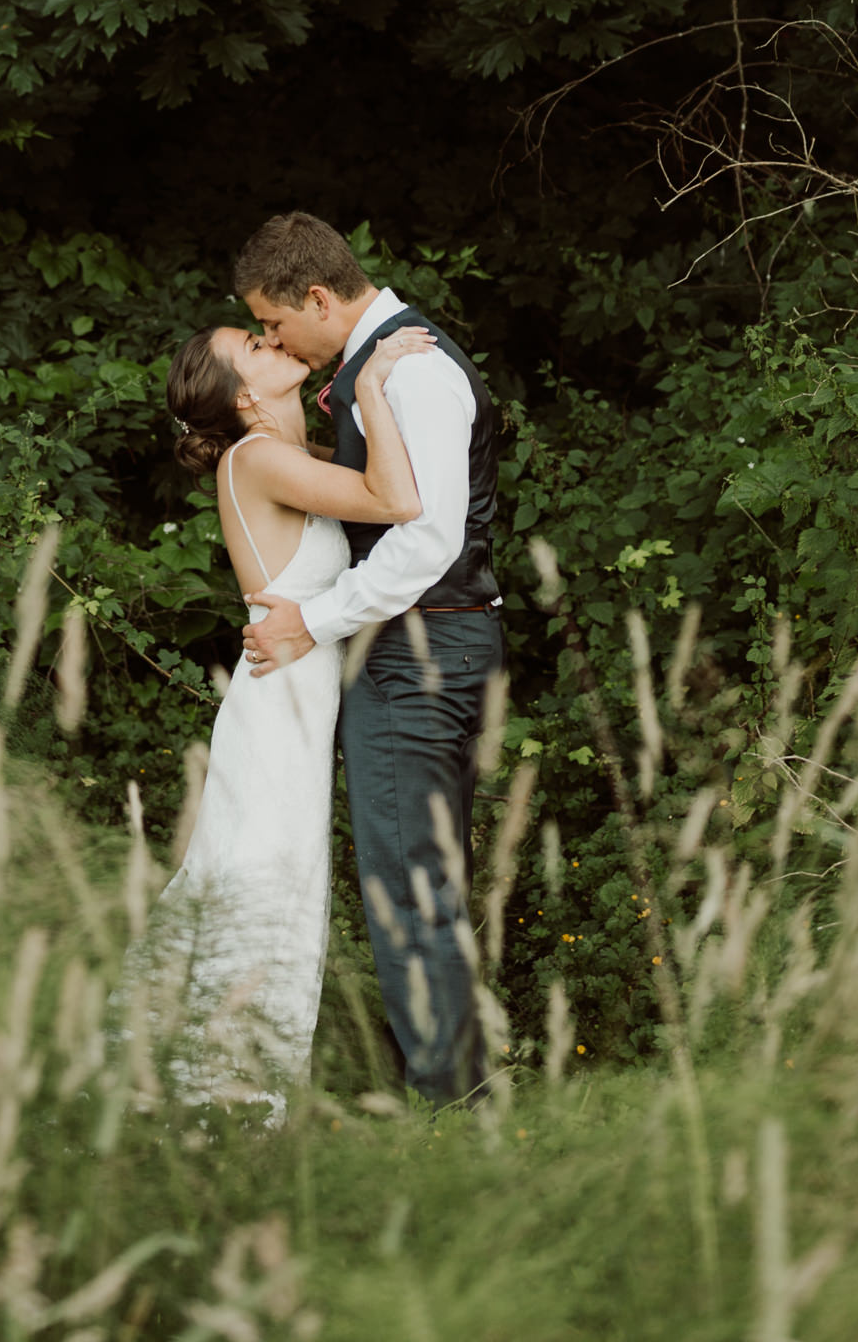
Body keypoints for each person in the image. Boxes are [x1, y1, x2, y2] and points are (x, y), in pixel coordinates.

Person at [115, 315, 427, 1116]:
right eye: (253, 347)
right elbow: (394, 498)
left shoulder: (282, 456)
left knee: (266, 896)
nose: (272, 338)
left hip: (293, 709)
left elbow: (366, 482)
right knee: (259, 899)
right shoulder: (256, 459)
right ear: (244, 396)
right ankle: (220, 1104)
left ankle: (206, 1096)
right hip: (275, 716)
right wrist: (364, 385)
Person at [235, 211, 503, 1106]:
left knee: (407, 888)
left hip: (417, 646)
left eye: (273, 323)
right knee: (425, 881)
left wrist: (314, 620)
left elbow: (425, 541)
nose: (271, 338)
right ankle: (450, 1083)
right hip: (435, 642)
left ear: (316, 298)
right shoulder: (384, 367)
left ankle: (448, 1106)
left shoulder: (414, 371)